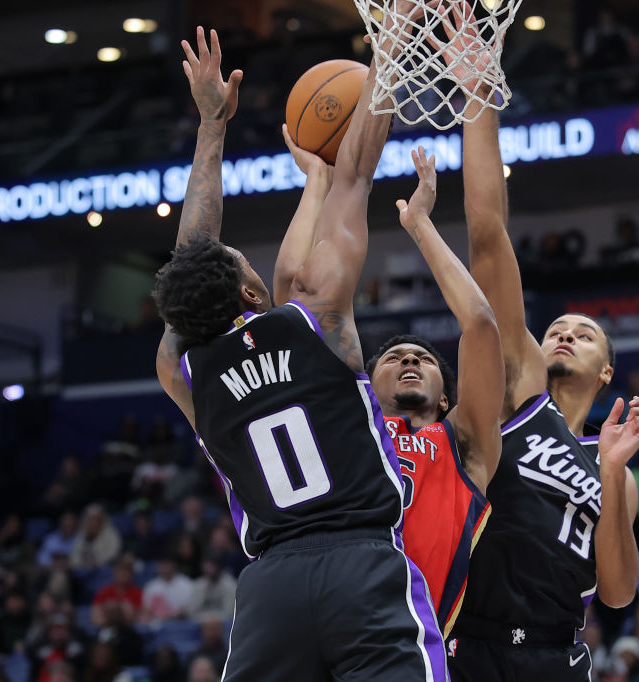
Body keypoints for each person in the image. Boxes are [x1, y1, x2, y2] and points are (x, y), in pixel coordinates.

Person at [152, 23, 445, 681]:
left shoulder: (182, 370)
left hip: (271, 592)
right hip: (361, 565)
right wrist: (391, 47)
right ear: (250, 290)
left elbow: (191, 257)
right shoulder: (317, 316)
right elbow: (357, 177)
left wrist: (211, 127)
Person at [442, 7, 639, 680]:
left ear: (606, 371)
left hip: (557, 653)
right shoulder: (523, 392)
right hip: (472, 641)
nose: (564, 333)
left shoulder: (616, 468)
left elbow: (617, 592)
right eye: (558, 328)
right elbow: (487, 235)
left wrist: (612, 473)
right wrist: (479, 93)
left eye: (584, 334)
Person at [363, 147, 502, 639]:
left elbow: (481, 324)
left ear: (446, 400)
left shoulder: (462, 442)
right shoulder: (350, 428)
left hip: (413, 638)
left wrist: (420, 223)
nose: (408, 360)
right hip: (332, 619)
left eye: (422, 359)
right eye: (394, 358)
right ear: (366, 388)